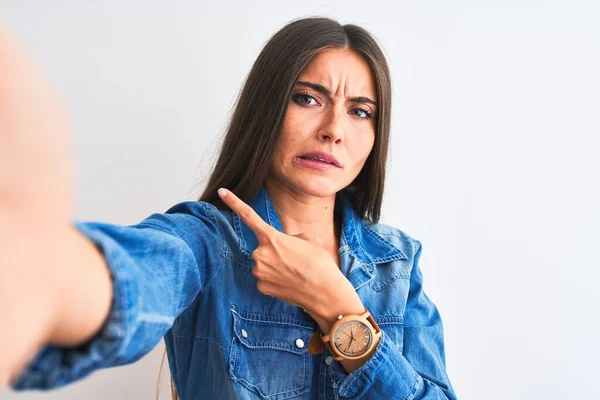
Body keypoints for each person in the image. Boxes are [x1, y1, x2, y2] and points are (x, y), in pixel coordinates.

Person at [0, 17, 457, 399]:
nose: (333, 129)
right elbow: (135, 276)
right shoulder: (203, 240)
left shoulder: (397, 262)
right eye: (308, 98)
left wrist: (338, 307)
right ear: (267, 109)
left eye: (360, 111)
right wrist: (41, 274)